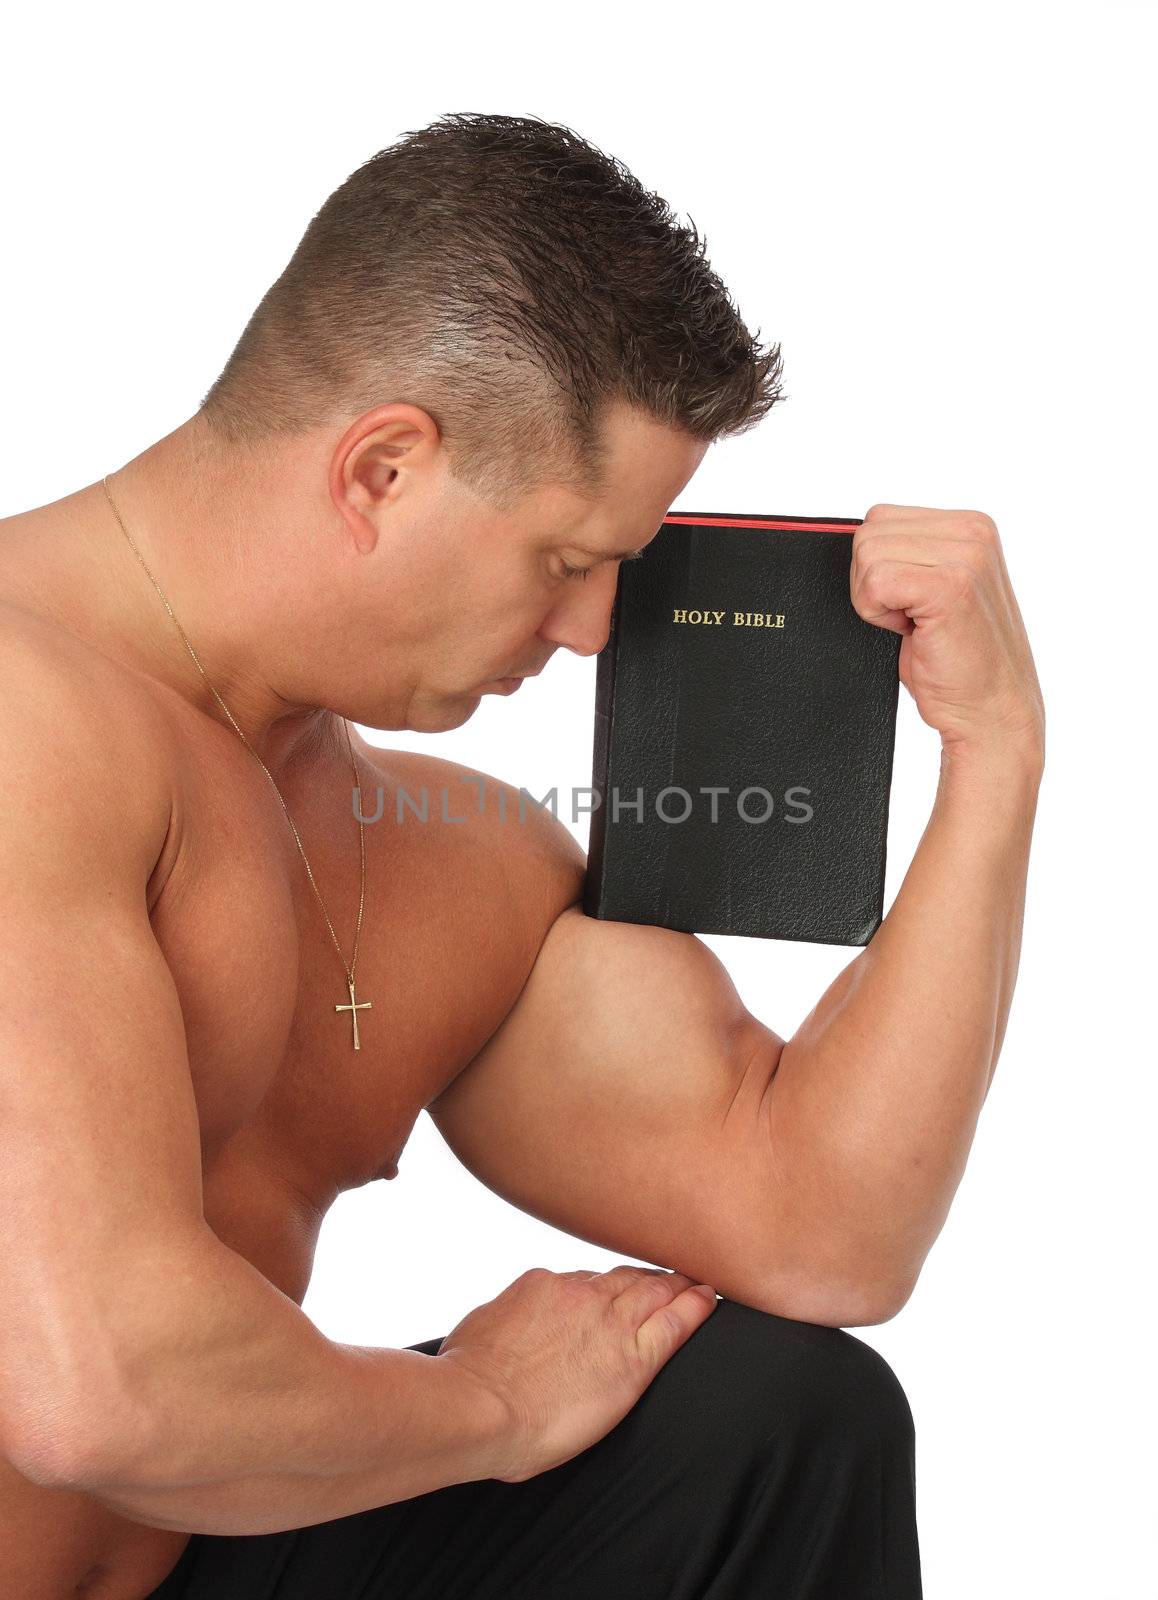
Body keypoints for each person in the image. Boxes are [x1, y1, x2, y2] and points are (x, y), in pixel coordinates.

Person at [0, 112, 1044, 1600]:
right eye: (565, 561)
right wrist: (488, 1408)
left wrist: (992, 763)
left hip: (175, 1564)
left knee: (775, 1416)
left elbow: (825, 1237)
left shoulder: (448, 854)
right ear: (382, 471)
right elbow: (89, 1387)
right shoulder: (24, 716)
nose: (592, 631)